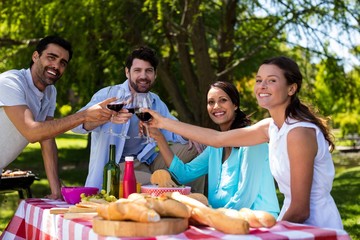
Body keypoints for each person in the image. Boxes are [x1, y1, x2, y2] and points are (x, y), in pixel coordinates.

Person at [143, 56, 343, 229]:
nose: (262, 86)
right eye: (259, 80)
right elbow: (217, 140)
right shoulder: (270, 127)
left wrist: (272, 232)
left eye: (271, 80)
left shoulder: (299, 132)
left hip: (315, 226)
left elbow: (300, 210)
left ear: (291, 88)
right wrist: (162, 123)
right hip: (287, 223)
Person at [72, 46, 205, 193]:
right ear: (127, 72)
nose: (143, 76)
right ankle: (179, 194)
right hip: (119, 166)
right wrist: (106, 117)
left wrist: (191, 135)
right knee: (158, 186)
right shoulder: (108, 95)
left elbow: (174, 129)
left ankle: (199, 202)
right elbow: (76, 126)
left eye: (148, 71)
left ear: (155, 74)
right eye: (137, 70)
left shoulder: (155, 101)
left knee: (199, 148)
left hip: (148, 161)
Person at [0, 35, 114, 200]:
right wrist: (83, 116)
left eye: (62, 63)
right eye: (51, 57)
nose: (56, 66)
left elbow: (47, 139)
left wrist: (56, 191)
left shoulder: (50, 92)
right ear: (35, 56)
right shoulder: (10, 82)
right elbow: (32, 132)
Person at [147, 81, 280, 216]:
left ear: (235, 105)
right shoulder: (215, 148)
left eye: (223, 100)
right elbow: (183, 175)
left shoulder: (252, 140)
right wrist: (159, 137)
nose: (216, 106)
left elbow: (245, 197)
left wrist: (211, 216)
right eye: (211, 102)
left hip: (258, 221)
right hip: (223, 221)